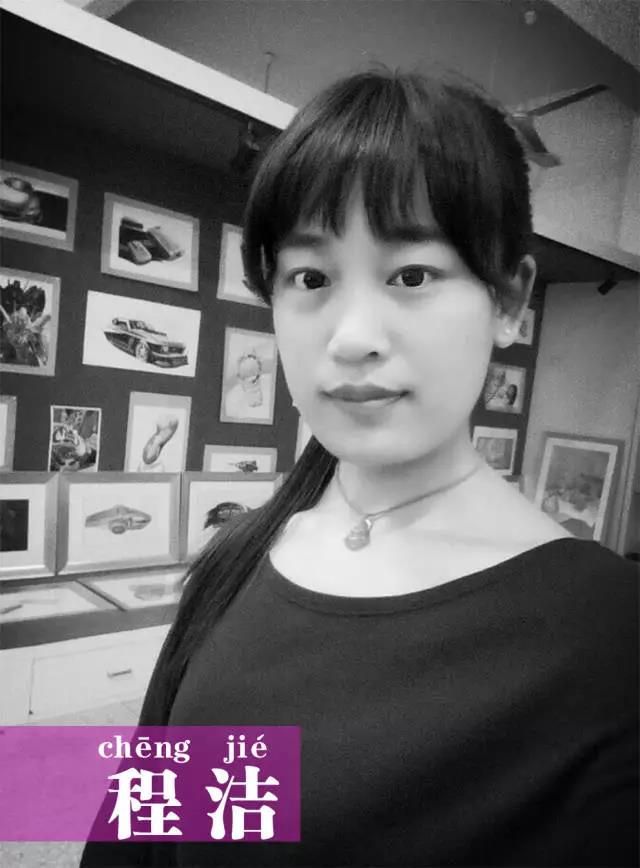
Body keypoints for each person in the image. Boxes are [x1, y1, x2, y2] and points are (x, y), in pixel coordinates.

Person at [80, 68, 638, 867]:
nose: (351, 338)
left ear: (510, 300)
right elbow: (147, 826)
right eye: (310, 278)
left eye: (412, 275)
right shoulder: (243, 557)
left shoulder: (609, 640)